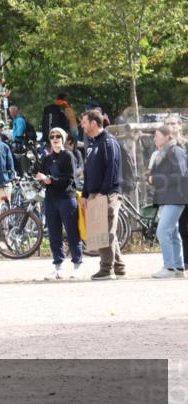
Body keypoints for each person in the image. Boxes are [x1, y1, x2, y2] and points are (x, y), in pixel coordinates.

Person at [80, 109, 125, 280]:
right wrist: (85, 194)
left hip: (107, 193)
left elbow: (112, 169)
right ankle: (119, 267)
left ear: (93, 123)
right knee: (101, 230)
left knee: (104, 231)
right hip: (94, 193)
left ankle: (107, 269)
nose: (82, 125)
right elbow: (88, 172)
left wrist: (103, 193)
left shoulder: (108, 142)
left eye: (84, 122)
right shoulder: (92, 143)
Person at [35, 128, 83, 280]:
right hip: (50, 199)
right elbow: (42, 178)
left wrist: (50, 180)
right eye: (52, 136)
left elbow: (70, 179)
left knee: (72, 233)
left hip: (67, 199)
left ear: (63, 139)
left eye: (58, 136)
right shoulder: (47, 159)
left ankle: (77, 265)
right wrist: (41, 180)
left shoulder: (68, 155)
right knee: (54, 234)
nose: (55, 139)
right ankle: (58, 266)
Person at [148, 125, 187, 278]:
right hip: (167, 197)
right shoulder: (163, 153)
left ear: (166, 136)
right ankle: (178, 267)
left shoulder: (176, 151)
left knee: (162, 231)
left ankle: (169, 268)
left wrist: (155, 179)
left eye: (157, 136)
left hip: (176, 198)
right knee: (173, 232)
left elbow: (181, 175)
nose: (154, 139)